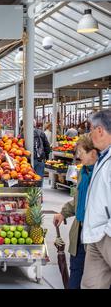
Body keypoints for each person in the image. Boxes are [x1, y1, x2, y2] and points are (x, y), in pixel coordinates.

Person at [53, 134, 99, 289]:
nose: (78, 157)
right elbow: (78, 201)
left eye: (81, 152)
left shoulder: (102, 174)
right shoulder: (82, 173)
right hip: (79, 230)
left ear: (93, 153)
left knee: (97, 277)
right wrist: (63, 213)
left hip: (96, 233)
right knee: (75, 273)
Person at [81, 109, 111, 289]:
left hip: (107, 233)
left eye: (90, 129)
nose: (89, 133)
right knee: (91, 284)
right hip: (95, 234)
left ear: (100, 130)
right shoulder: (101, 157)